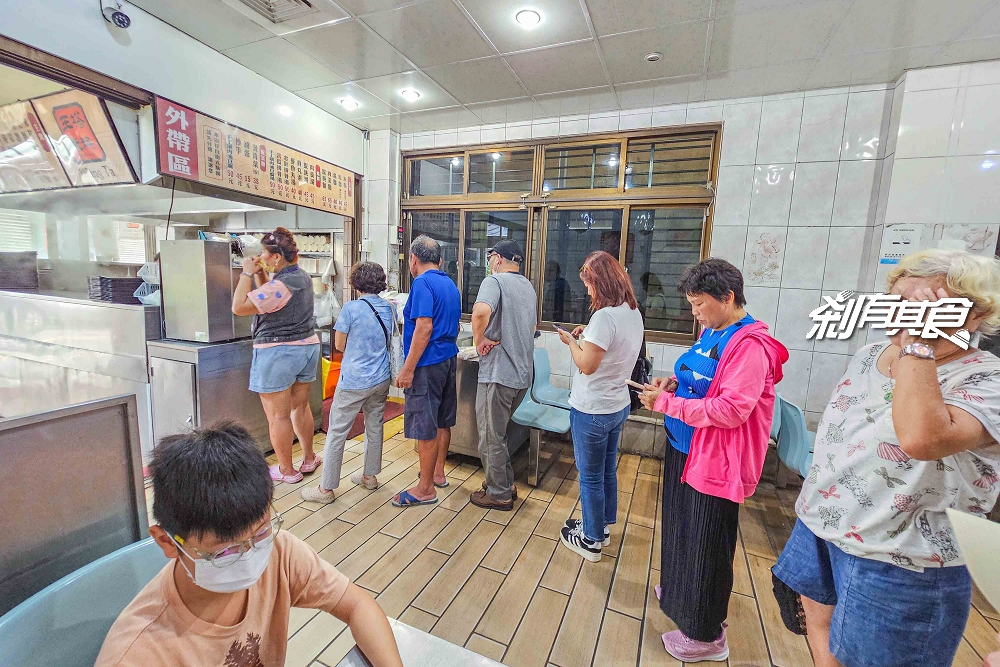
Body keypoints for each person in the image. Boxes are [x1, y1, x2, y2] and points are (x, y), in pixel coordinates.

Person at [772, 249, 1000, 667]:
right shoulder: (870, 354)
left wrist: (919, 343)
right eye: (897, 303)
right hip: (824, 525)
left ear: (974, 316)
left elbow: (920, 438)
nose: (903, 317)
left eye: (925, 307)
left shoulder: (987, 378)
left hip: (901, 556)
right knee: (818, 623)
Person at [94, 423, 403, 667]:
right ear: (167, 542)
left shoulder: (278, 553)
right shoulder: (139, 654)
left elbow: (356, 605)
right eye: (225, 551)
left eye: (260, 533)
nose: (251, 555)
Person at [639, 257, 787, 662]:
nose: (694, 312)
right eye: (690, 303)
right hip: (684, 449)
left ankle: (706, 636)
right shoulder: (713, 332)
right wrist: (671, 385)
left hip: (716, 461)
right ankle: (680, 589)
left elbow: (730, 410)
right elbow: (701, 381)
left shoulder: (750, 346)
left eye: (699, 303)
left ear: (728, 297)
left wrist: (667, 403)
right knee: (681, 528)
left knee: (707, 542)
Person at [556, 250, 644, 562]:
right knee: (606, 469)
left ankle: (591, 540)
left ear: (603, 283)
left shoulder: (604, 317)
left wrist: (571, 343)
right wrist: (586, 335)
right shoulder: (631, 311)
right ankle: (602, 526)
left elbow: (587, 365)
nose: (588, 291)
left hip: (592, 409)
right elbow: (608, 347)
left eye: (591, 285)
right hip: (616, 405)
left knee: (590, 476)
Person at [232, 227, 320, 484]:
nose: (261, 257)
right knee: (299, 407)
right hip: (306, 346)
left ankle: (287, 471)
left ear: (277, 258)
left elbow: (239, 307)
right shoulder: (300, 276)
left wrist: (246, 274)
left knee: (278, 416)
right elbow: (270, 300)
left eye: (264, 254)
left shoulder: (282, 284)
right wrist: (260, 273)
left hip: (278, 351)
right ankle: (309, 458)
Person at [301, 262, 394, 504]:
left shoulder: (351, 309)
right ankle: (369, 476)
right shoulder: (388, 308)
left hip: (354, 380)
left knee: (337, 431)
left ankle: (326, 489)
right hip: (381, 377)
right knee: (375, 426)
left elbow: (339, 344)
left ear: (356, 283)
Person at [392, 235, 461, 508]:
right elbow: (454, 326)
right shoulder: (450, 284)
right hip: (448, 359)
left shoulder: (421, 283)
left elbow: (424, 327)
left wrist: (407, 369)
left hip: (427, 364)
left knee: (424, 424)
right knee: (442, 420)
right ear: (440, 260)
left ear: (413, 259)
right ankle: (437, 473)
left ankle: (425, 488)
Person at [469, 239, 537, 510]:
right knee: (499, 433)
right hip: (522, 375)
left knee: (490, 434)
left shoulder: (494, 282)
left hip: (498, 373)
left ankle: (498, 493)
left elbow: (480, 311)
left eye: (490, 260)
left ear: (497, 259)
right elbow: (531, 327)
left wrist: (479, 339)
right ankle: (505, 482)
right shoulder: (527, 286)